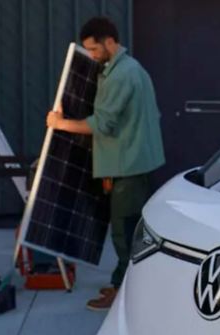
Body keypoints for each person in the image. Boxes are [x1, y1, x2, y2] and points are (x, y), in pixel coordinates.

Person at [46, 17, 165, 310]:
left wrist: (60, 123)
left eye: (94, 49)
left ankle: (123, 292)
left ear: (109, 41)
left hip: (129, 167)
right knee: (131, 229)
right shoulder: (129, 69)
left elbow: (104, 124)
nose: (92, 55)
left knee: (124, 233)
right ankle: (126, 286)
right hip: (134, 162)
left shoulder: (121, 75)